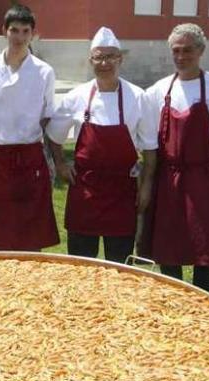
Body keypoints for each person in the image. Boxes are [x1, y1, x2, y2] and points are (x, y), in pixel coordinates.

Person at [137, 23, 209, 296]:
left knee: (202, 247)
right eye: (176, 51)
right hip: (167, 177)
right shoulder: (157, 91)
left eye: (188, 50)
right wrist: (146, 184)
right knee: (168, 247)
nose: (181, 57)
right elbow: (148, 145)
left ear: (201, 51)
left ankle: (208, 306)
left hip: (202, 178)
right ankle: (172, 302)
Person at [46, 27, 154, 264]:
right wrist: (61, 164)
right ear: (90, 60)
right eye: (98, 57)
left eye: (110, 56)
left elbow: (150, 149)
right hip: (85, 192)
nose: (104, 63)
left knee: (120, 265)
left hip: (123, 192)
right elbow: (54, 136)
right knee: (82, 264)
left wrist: (146, 186)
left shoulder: (138, 97)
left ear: (120, 59)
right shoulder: (77, 96)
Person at [0, 4, 59, 251]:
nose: (19, 37)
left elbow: (47, 116)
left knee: (29, 232)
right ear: (4, 31)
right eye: (14, 30)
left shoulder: (44, 72)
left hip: (30, 158)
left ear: (32, 34)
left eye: (25, 31)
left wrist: (48, 156)